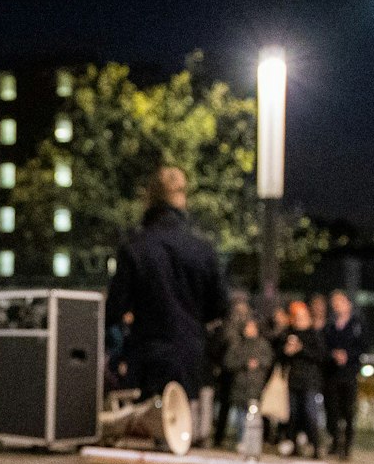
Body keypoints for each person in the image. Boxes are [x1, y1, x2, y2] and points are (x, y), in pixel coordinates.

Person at [105, 167, 230, 399]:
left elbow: (114, 309)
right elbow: (220, 307)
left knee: (148, 425)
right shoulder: (203, 250)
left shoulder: (135, 248)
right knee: (182, 427)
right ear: (183, 198)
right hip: (190, 358)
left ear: (150, 198)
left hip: (147, 357)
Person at [277, 300, 325, 458]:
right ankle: (294, 445)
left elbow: (320, 355)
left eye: (302, 317)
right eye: (297, 318)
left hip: (310, 381)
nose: (299, 321)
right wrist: (286, 352)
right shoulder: (289, 334)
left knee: (310, 414)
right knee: (293, 414)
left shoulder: (313, 335)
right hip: (293, 380)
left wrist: (301, 349)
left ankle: (316, 446)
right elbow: (279, 355)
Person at [320, 290, 364, 460]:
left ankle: (346, 446)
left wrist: (348, 355)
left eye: (340, 302)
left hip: (349, 373)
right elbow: (324, 346)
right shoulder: (330, 326)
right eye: (334, 303)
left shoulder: (357, 325)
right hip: (332, 374)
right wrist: (333, 354)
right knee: (332, 410)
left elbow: (363, 346)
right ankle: (334, 441)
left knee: (348, 411)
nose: (337, 306)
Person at [222, 315, 272, 447]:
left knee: (254, 416)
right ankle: (241, 440)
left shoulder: (263, 345)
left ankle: (253, 441)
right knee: (240, 416)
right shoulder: (237, 344)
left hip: (256, 386)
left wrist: (259, 364)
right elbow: (228, 362)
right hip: (239, 386)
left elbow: (269, 361)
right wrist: (244, 363)